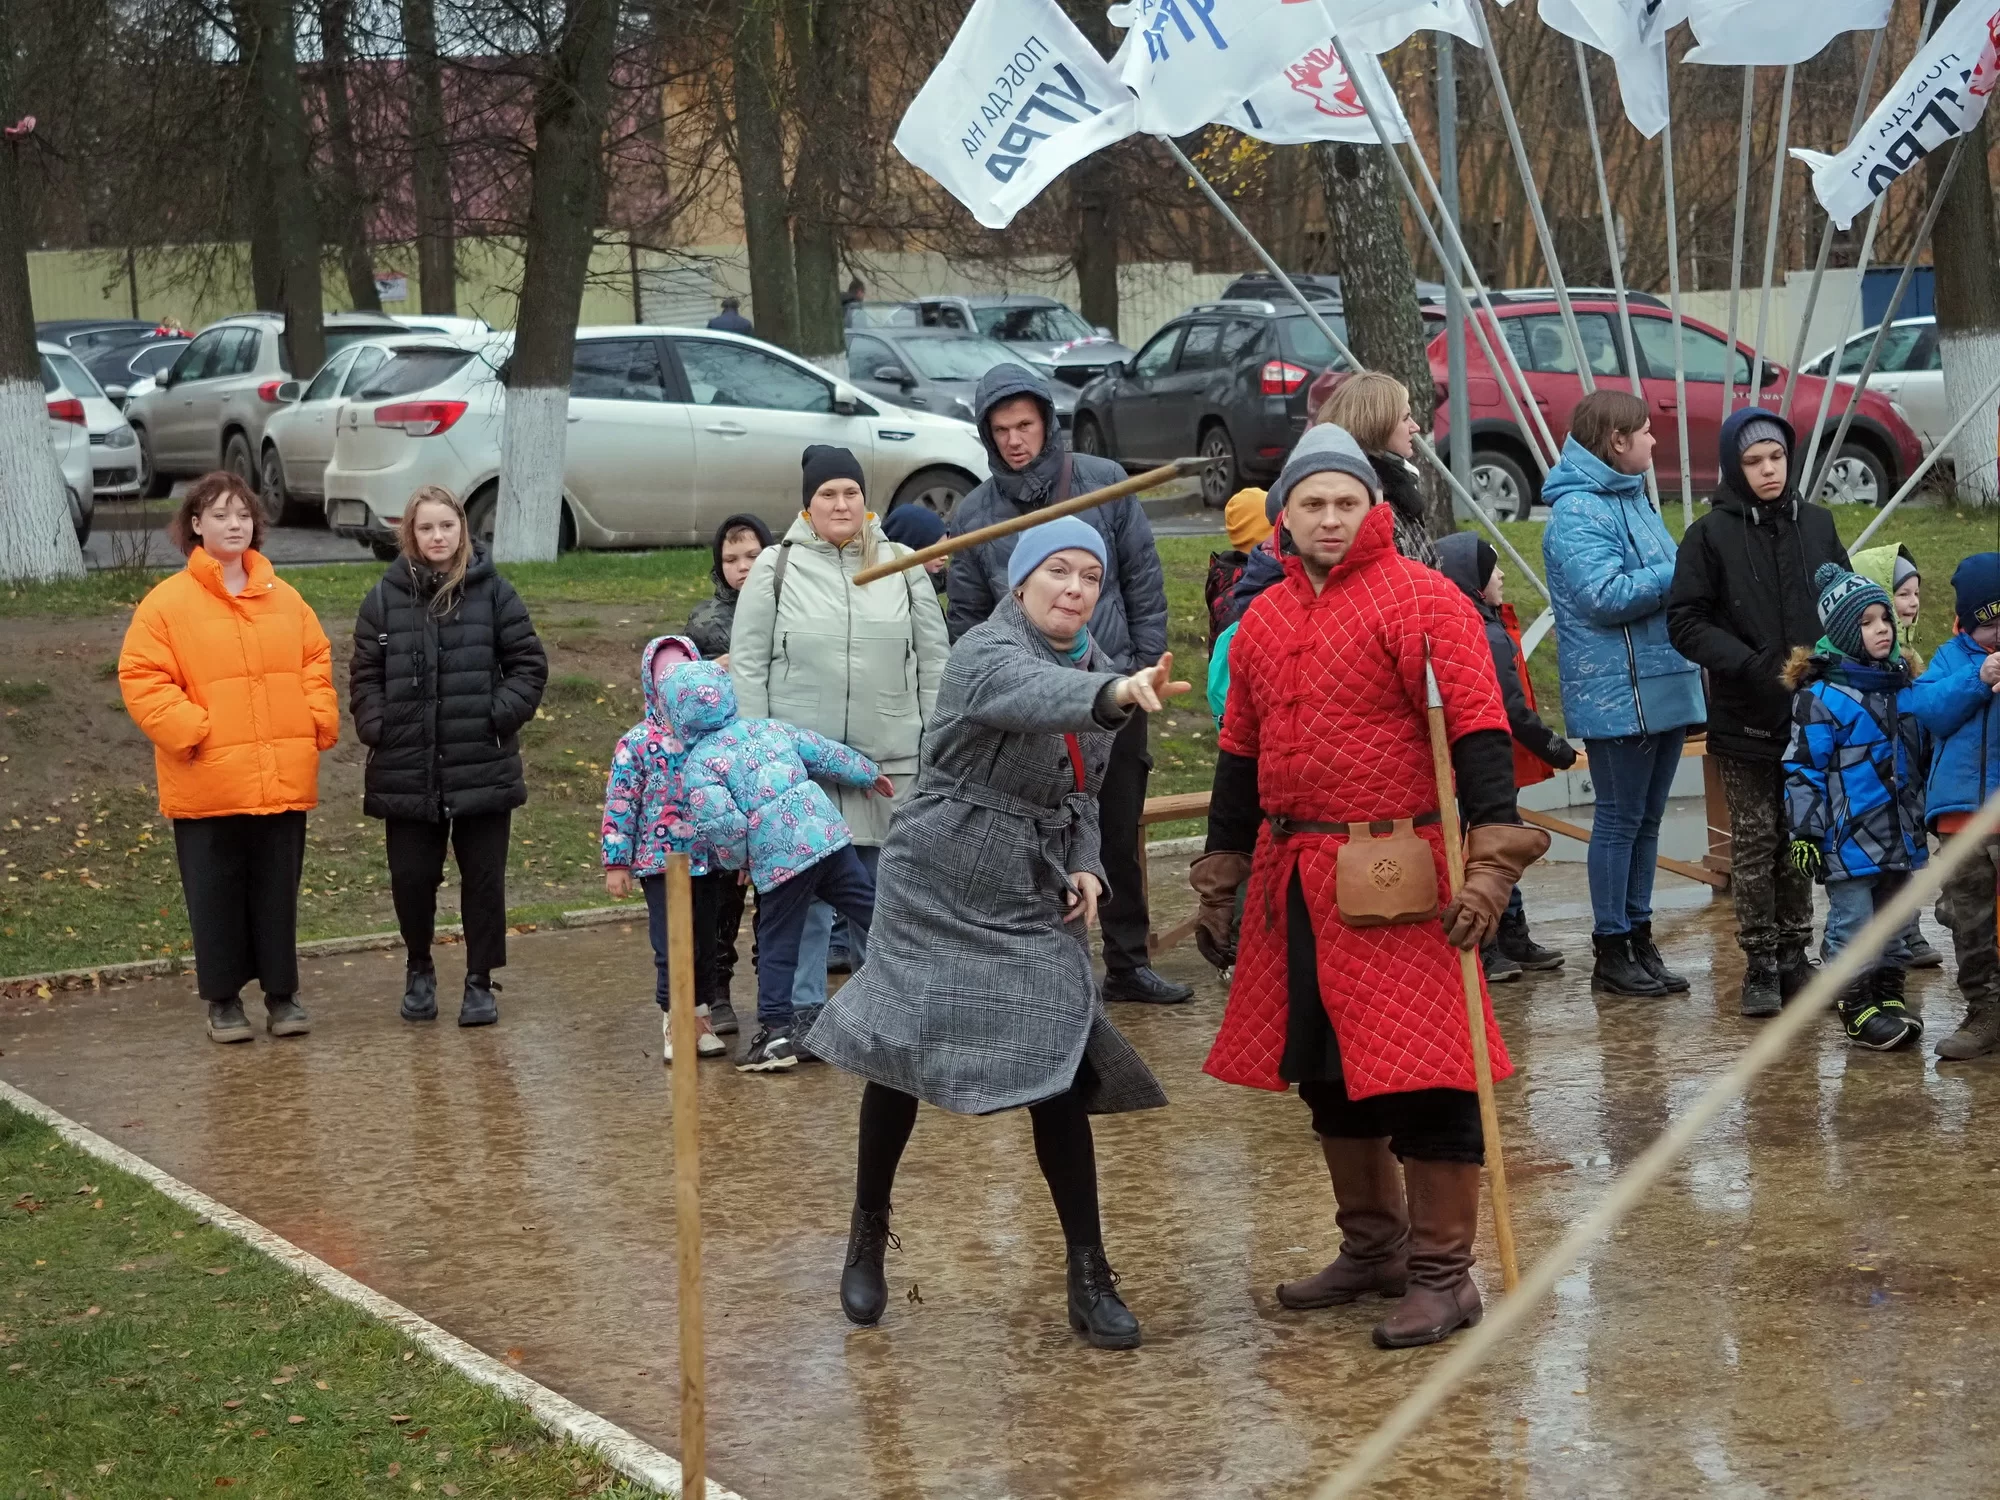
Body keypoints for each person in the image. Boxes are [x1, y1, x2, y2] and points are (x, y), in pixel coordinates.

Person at [1188, 424, 1548, 1351]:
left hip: (1400, 871)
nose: (1330, 518)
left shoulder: (1426, 599)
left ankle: (1443, 1276)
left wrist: (1491, 863)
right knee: (1324, 1068)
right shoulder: (1263, 621)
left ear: (1373, 507)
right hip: (1294, 875)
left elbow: (1478, 732)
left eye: (1346, 502)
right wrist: (1222, 874)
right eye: (1312, 503)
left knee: (1430, 1073)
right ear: (1286, 515)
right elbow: (1238, 755)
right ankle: (1375, 1249)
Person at [806, 517, 1189, 1349]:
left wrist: (1086, 863)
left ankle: (1089, 1275)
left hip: (1029, 889)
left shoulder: (1093, 664)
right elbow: (1030, 696)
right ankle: (868, 1230)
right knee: (899, 1052)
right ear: (1022, 582)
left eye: (1091, 577)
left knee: (1060, 1062)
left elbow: (1083, 794)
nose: (1075, 589)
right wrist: (1115, 695)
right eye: (1059, 572)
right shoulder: (986, 651)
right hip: (936, 876)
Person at [946, 363, 1186, 1005]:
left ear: (1047, 423)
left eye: (1024, 425)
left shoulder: (1104, 482)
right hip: (1022, 710)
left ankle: (1128, 962)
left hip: (1115, 689)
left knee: (1116, 831)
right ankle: (1037, 970)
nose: (1014, 440)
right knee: (1031, 834)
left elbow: (1143, 582)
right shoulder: (975, 514)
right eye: (1000, 430)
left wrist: (1139, 669)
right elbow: (966, 617)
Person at [729, 446, 950, 1029]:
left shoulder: (900, 563)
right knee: (802, 897)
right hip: (801, 773)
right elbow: (747, 668)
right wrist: (759, 763)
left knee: (883, 893)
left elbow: (934, 662)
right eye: (828, 494)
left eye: (851, 492)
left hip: (889, 764)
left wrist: (933, 746)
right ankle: (803, 1013)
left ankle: (884, 1012)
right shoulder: (775, 568)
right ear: (808, 504)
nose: (841, 503)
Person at [119, 472, 340, 1043]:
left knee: (276, 892)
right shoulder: (166, 604)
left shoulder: (286, 598)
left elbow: (315, 660)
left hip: (281, 777)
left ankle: (283, 997)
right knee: (214, 894)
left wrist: (315, 718)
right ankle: (223, 1003)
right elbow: (142, 677)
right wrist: (193, 731)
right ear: (196, 524)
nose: (234, 524)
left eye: (243, 514)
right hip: (208, 779)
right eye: (220, 515)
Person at [1669, 410, 1849, 1018]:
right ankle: (1761, 962)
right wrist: (1749, 664)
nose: (1768, 470)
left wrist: (1839, 660)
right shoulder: (1708, 536)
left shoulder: (1817, 524)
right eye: (1753, 461)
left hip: (1811, 713)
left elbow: (1843, 604)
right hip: (1745, 712)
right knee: (1753, 840)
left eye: (1776, 457)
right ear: (1733, 466)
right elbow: (1685, 621)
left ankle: (1797, 953)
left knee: (1801, 833)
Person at [349, 485, 548, 1028]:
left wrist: (496, 716)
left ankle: (480, 979)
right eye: (426, 527)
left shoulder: (495, 592)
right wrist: (377, 727)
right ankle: (419, 966)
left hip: (481, 762)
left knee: (483, 879)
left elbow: (529, 665)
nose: (437, 537)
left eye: (447, 525)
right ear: (409, 534)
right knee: (411, 877)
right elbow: (364, 674)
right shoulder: (384, 598)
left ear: (462, 528)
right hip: (406, 765)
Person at [1542, 392, 1706, 998]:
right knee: (1618, 820)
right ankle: (1611, 950)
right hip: (1618, 696)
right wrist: (1682, 567)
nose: (1653, 441)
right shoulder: (1577, 512)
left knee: (1646, 820)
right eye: (1644, 431)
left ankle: (1639, 937)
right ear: (1616, 441)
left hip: (1662, 682)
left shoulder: (1635, 497)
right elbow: (1604, 596)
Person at [669, 660, 891, 1073]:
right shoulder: (766, 728)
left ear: (679, 716)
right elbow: (819, 750)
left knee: (777, 941)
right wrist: (867, 773)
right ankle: (932, 967)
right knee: (872, 909)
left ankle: (775, 1033)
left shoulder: (699, 765)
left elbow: (723, 825)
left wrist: (741, 861)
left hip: (780, 858)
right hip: (826, 835)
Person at [1782, 566, 1931, 1051]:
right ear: (1847, 633)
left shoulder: (1903, 687)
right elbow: (1803, 769)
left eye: (1884, 618)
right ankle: (1855, 1004)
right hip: (1848, 838)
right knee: (1854, 923)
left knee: (1895, 920)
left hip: (1899, 832)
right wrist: (1805, 832)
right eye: (1867, 623)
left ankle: (1888, 995)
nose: (1882, 629)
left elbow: (1921, 755)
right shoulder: (1821, 697)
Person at [1438, 533, 1578, 983]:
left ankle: (1509, 933)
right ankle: (1489, 942)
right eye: (1491, 569)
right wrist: (1554, 748)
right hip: (1481, 760)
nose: (1500, 576)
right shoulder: (1476, 629)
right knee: (1488, 843)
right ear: (1472, 579)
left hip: (1487, 759)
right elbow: (1510, 707)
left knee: (1499, 840)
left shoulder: (1485, 621)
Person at [602, 636, 727, 1062]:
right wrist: (616, 862)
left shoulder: (711, 737)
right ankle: (674, 1017)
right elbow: (620, 803)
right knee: (671, 944)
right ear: (652, 685)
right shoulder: (636, 743)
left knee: (705, 941)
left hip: (707, 859)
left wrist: (740, 852)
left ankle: (701, 1014)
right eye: (665, 681)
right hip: (659, 862)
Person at [1908, 555, 2000, 1059]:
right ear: (1964, 621)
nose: (1999, 634)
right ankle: (1984, 1010)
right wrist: (1978, 678)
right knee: (1970, 920)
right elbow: (1929, 710)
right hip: (1960, 818)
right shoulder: (1948, 660)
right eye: (1989, 624)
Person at [1314, 370, 1438, 568]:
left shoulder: (1391, 481)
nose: (1415, 427)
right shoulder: (1371, 498)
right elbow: (1404, 575)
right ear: (1378, 425)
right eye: (1406, 418)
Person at [685, 512, 773, 667]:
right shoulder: (703, 620)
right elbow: (682, 673)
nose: (743, 567)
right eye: (730, 560)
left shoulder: (792, 607)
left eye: (753, 556)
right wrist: (710, 668)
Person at [880, 501, 949, 603]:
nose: (945, 557)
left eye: (946, 549)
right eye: (937, 551)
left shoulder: (929, 585)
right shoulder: (896, 599)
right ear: (909, 546)